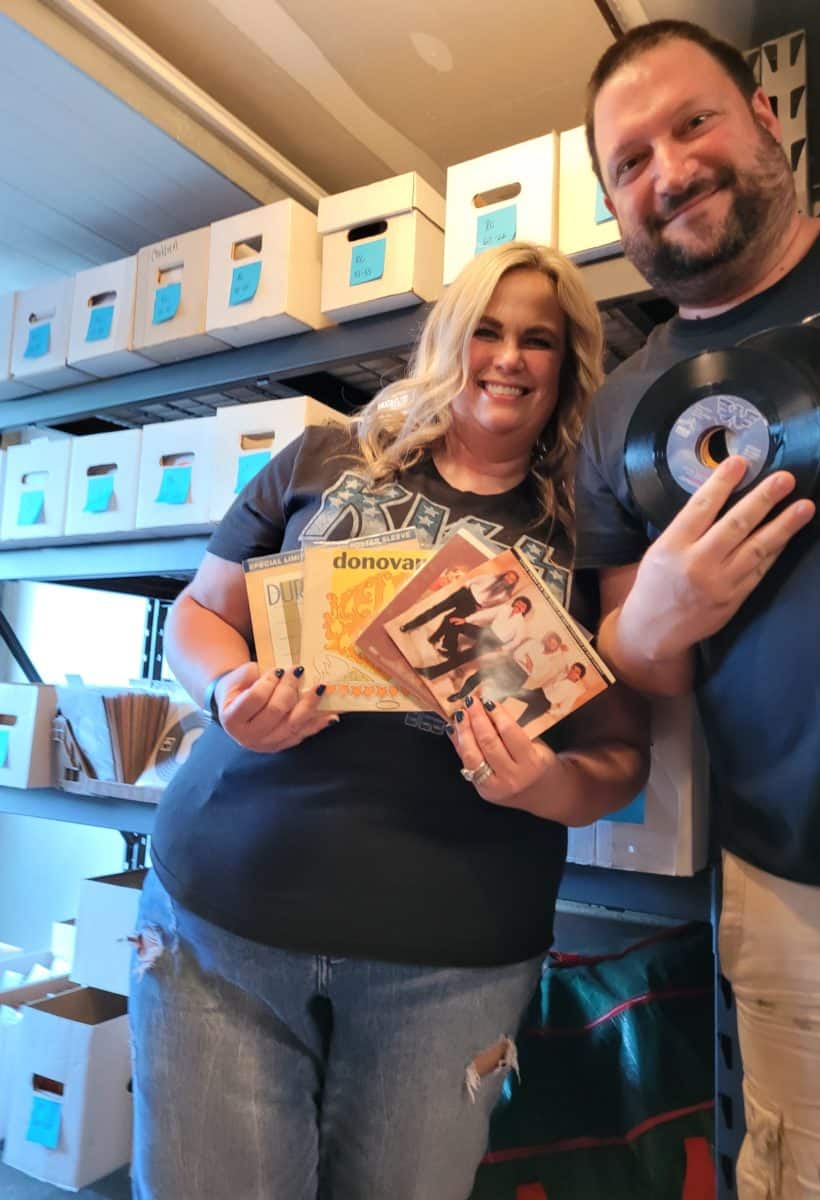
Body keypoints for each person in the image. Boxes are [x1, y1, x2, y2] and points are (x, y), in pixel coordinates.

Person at [129, 240, 649, 1200]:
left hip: (450, 966)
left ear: (570, 364)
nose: (508, 356)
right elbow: (200, 613)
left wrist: (547, 785)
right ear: (448, 337)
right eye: (487, 328)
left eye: (540, 339)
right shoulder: (326, 454)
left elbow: (622, 757)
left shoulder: (595, 522)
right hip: (221, 923)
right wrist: (228, 692)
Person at [578, 19, 820, 1199]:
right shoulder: (619, 411)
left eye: (693, 120)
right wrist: (652, 618)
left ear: (768, 118)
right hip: (818, 918)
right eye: (629, 161)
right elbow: (637, 673)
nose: (668, 168)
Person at [416, 593, 532, 679]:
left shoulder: (521, 624)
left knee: (463, 657)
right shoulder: (504, 608)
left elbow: (517, 641)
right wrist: (465, 619)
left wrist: (503, 648)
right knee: (455, 624)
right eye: (519, 602)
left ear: (524, 611)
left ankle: (432, 673)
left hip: (495, 642)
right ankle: (450, 650)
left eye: (523, 606)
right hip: (486, 632)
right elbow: (485, 614)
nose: (520, 605)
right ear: (515, 602)